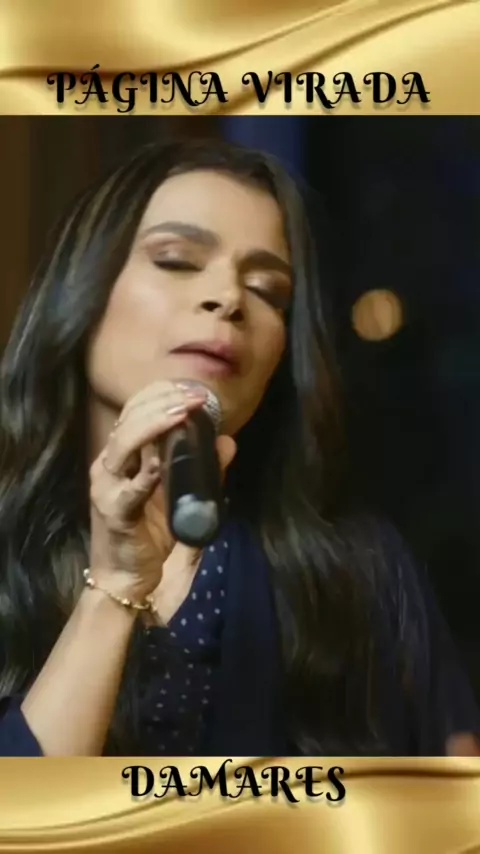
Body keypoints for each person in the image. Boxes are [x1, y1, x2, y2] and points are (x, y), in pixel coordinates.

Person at [0, 137, 478, 758]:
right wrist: (115, 588)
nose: (229, 298)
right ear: (79, 291)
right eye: (176, 261)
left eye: (268, 290)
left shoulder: (361, 571)